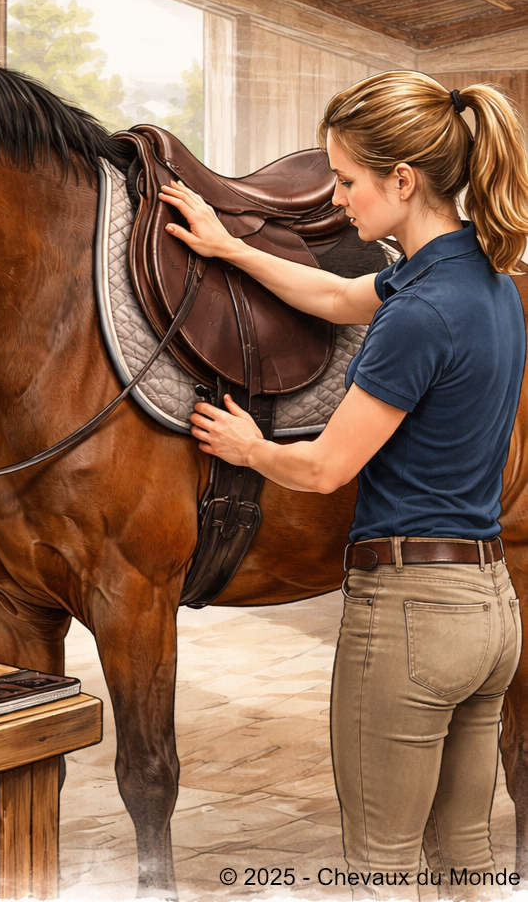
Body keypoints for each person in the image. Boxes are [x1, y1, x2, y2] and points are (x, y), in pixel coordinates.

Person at [159, 71, 528, 896]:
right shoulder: (489, 287)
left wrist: (251, 448)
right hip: (489, 612)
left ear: (403, 180)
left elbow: (325, 468)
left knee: (380, 871)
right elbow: (331, 294)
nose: (338, 200)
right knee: (465, 858)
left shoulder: (418, 316)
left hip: (411, 622)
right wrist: (227, 245)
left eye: (350, 181)